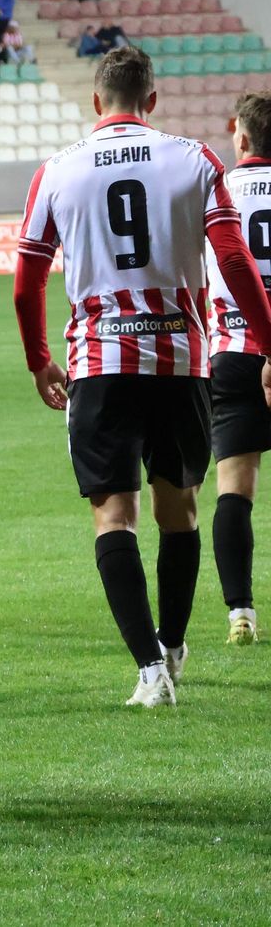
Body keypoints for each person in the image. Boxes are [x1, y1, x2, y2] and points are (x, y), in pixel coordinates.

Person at [14, 48, 271, 707]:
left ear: (98, 102)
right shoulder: (193, 159)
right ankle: (175, 644)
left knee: (114, 516)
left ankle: (149, 667)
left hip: (100, 362)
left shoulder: (58, 169)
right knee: (178, 510)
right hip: (181, 361)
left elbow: (27, 280)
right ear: (151, 100)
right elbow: (235, 260)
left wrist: (37, 356)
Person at [208, 93, 271, 646]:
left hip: (232, 352)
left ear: (243, 138)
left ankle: (241, 613)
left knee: (235, 487)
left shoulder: (217, 191)